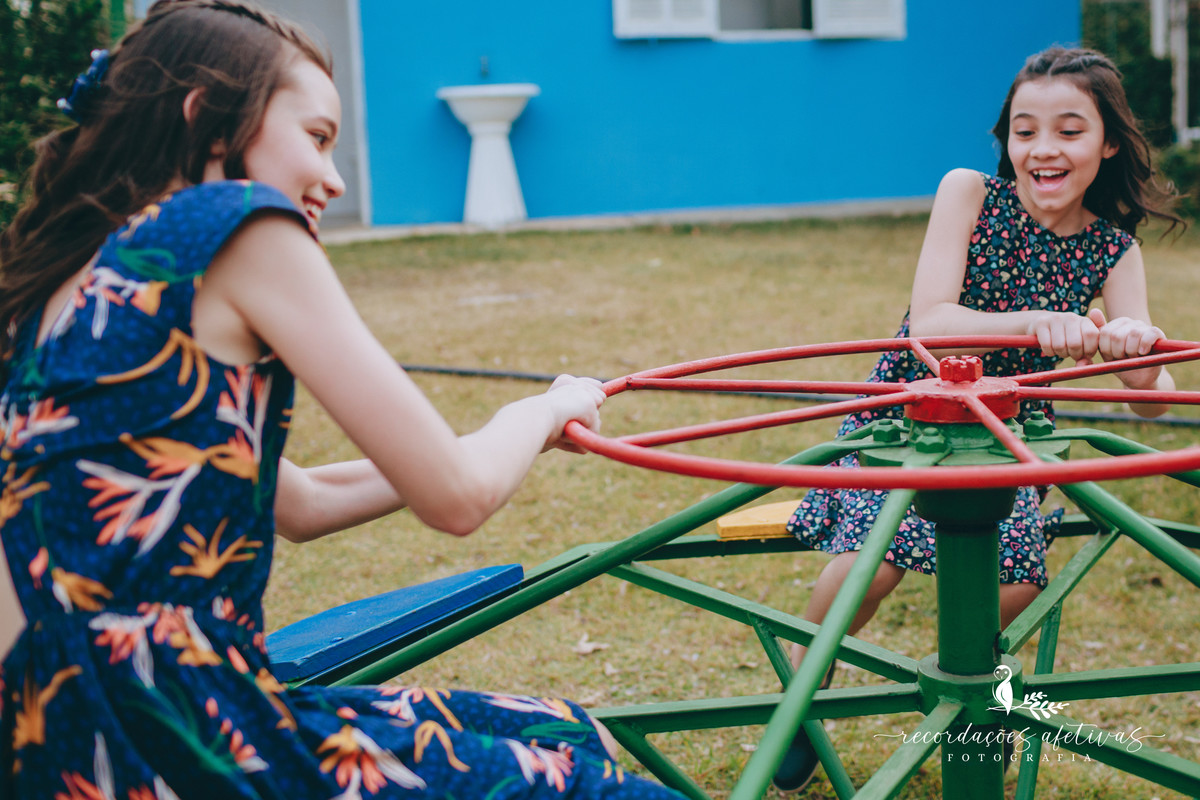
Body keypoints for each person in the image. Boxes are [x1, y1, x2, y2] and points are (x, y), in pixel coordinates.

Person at [0, 2, 687, 798]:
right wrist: (533, 410)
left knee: (554, 729)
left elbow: (302, 500)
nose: (334, 178)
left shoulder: (67, 289)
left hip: (63, 734)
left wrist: (522, 432)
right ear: (208, 122)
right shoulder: (228, 221)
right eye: (317, 138)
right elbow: (458, 499)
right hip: (181, 730)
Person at [773, 46, 1182, 793]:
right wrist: (1041, 321)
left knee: (1017, 580)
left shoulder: (1114, 250)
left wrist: (1136, 348)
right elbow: (935, 321)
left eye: (1069, 130)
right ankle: (804, 686)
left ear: (1108, 143)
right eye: (1024, 131)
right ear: (1008, 143)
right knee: (879, 558)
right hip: (915, 412)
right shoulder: (969, 193)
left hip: (1006, 434)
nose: (1043, 149)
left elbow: (1148, 395)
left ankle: (966, 697)